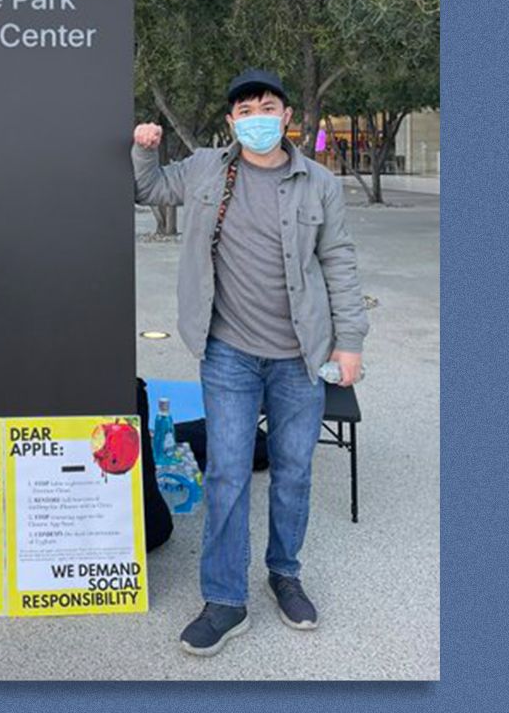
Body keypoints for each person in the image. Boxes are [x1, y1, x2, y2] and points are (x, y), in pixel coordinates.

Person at [131, 68, 370, 656]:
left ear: (286, 117)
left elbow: (337, 261)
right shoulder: (208, 168)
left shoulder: (318, 183)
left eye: (268, 106)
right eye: (244, 110)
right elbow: (152, 190)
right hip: (228, 353)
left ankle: (284, 575)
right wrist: (144, 150)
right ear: (232, 121)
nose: (257, 117)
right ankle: (225, 600)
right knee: (228, 475)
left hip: (300, 357)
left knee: (293, 473)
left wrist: (351, 342)